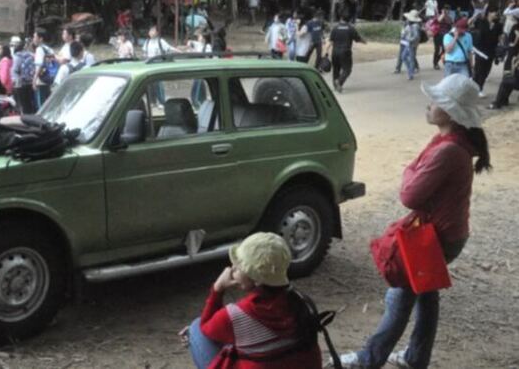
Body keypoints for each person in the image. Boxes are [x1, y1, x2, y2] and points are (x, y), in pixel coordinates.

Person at [339, 73, 490, 369]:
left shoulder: (447, 150)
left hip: (436, 238)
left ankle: (369, 359)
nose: (428, 105)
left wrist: (409, 171)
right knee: (425, 295)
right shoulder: (450, 143)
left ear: (449, 111)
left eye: (434, 101)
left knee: (399, 296)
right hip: (448, 234)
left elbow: (409, 194)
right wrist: (412, 172)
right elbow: (414, 183)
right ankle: (415, 358)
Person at [181, 232, 322, 369]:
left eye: (239, 266)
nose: (233, 268)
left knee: (195, 328)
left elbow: (206, 327)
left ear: (256, 279)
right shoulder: (301, 301)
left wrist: (218, 289)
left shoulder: (238, 316)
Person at [326, 13, 366, 93]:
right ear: (349, 19)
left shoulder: (335, 28)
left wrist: (326, 51)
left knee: (336, 69)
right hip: (345, 52)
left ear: (341, 18)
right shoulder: (351, 28)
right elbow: (357, 39)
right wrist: (364, 41)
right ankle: (339, 82)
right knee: (347, 69)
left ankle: (335, 84)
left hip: (335, 52)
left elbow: (330, 41)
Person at [472, 11, 501, 96]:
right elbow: (470, 24)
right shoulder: (481, 22)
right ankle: (475, 88)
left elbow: (499, 38)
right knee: (478, 70)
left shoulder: (498, 25)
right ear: (489, 13)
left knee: (486, 72)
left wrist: (498, 53)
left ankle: (480, 88)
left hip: (491, 51)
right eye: (494, 12)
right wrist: (476, 14)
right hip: (480, 51)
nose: (496, 14)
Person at [394, 10, 422, 80]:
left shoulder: (415, 26)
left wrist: (409, 39)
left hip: (411, 44)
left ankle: (411, 73)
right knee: (404, 57)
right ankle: (410, 69)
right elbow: (405, 33)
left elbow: (416, 36)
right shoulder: (409, 25)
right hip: (408, 44)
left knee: (410, 58)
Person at [10, 39, 36, 114]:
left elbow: (15, 71)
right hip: (31, 82)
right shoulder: (31, 55)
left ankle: (24, 118)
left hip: (21, 84)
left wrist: (16, 82)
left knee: (22, 105)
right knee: (30, 103)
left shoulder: (16, 57)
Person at [32, 28, 55, 107]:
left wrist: (34, 80)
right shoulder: (49, 49)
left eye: (35, 37)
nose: (33, 39)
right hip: (49, 79)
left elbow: (39, 65)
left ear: (40, 39)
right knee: (48, 104)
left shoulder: (39, 49)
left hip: (41, 80)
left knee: (41, 105)